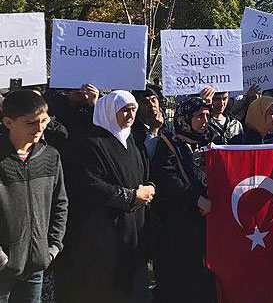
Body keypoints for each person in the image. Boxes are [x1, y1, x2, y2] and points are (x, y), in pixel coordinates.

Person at [59, 91, 154, 303]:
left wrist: (150, 188)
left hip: (135, 228)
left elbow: (147, 172)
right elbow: (89, 185)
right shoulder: (91, 143)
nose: (130, 115)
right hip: (104, 232)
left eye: (133, 110)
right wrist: (130, 197)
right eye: (125, 110)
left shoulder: (133, 141)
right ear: (110, 112)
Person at [0, 90, 68, 303]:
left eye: (44, 121)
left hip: (35, 267)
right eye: (30, 123)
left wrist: (52, 248)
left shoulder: (50, 156)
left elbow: (60, 204)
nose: (39, 128)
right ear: (8, 122)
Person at [150, 96, 217, 303]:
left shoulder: (212, 140)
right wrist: (196, 199)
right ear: (186, 118)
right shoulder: (169, 143)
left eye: (207, 115)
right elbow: (168, 178)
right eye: (199, 116)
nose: (204, 120)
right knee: (182, 277)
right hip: (180, 221)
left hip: (209, 221)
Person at [131, 86, 166, 160]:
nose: (151, 105)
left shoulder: (167, 127)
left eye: (154, 100)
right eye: (145, 102)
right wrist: (154, 130)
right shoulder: (132, 132)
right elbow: (145, 159)